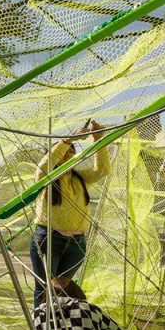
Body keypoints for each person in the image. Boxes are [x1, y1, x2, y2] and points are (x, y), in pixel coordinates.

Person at [29, 120, 110, 307]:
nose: (69, 154)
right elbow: (44, 167)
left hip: (76, 244)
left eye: (72, 150)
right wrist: (67, 140)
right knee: (45, 289)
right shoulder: (45, 178)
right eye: (64, 151)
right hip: (49, 239)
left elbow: (103, 170)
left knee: (65, 290)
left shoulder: (80, 179)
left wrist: (99, 140)